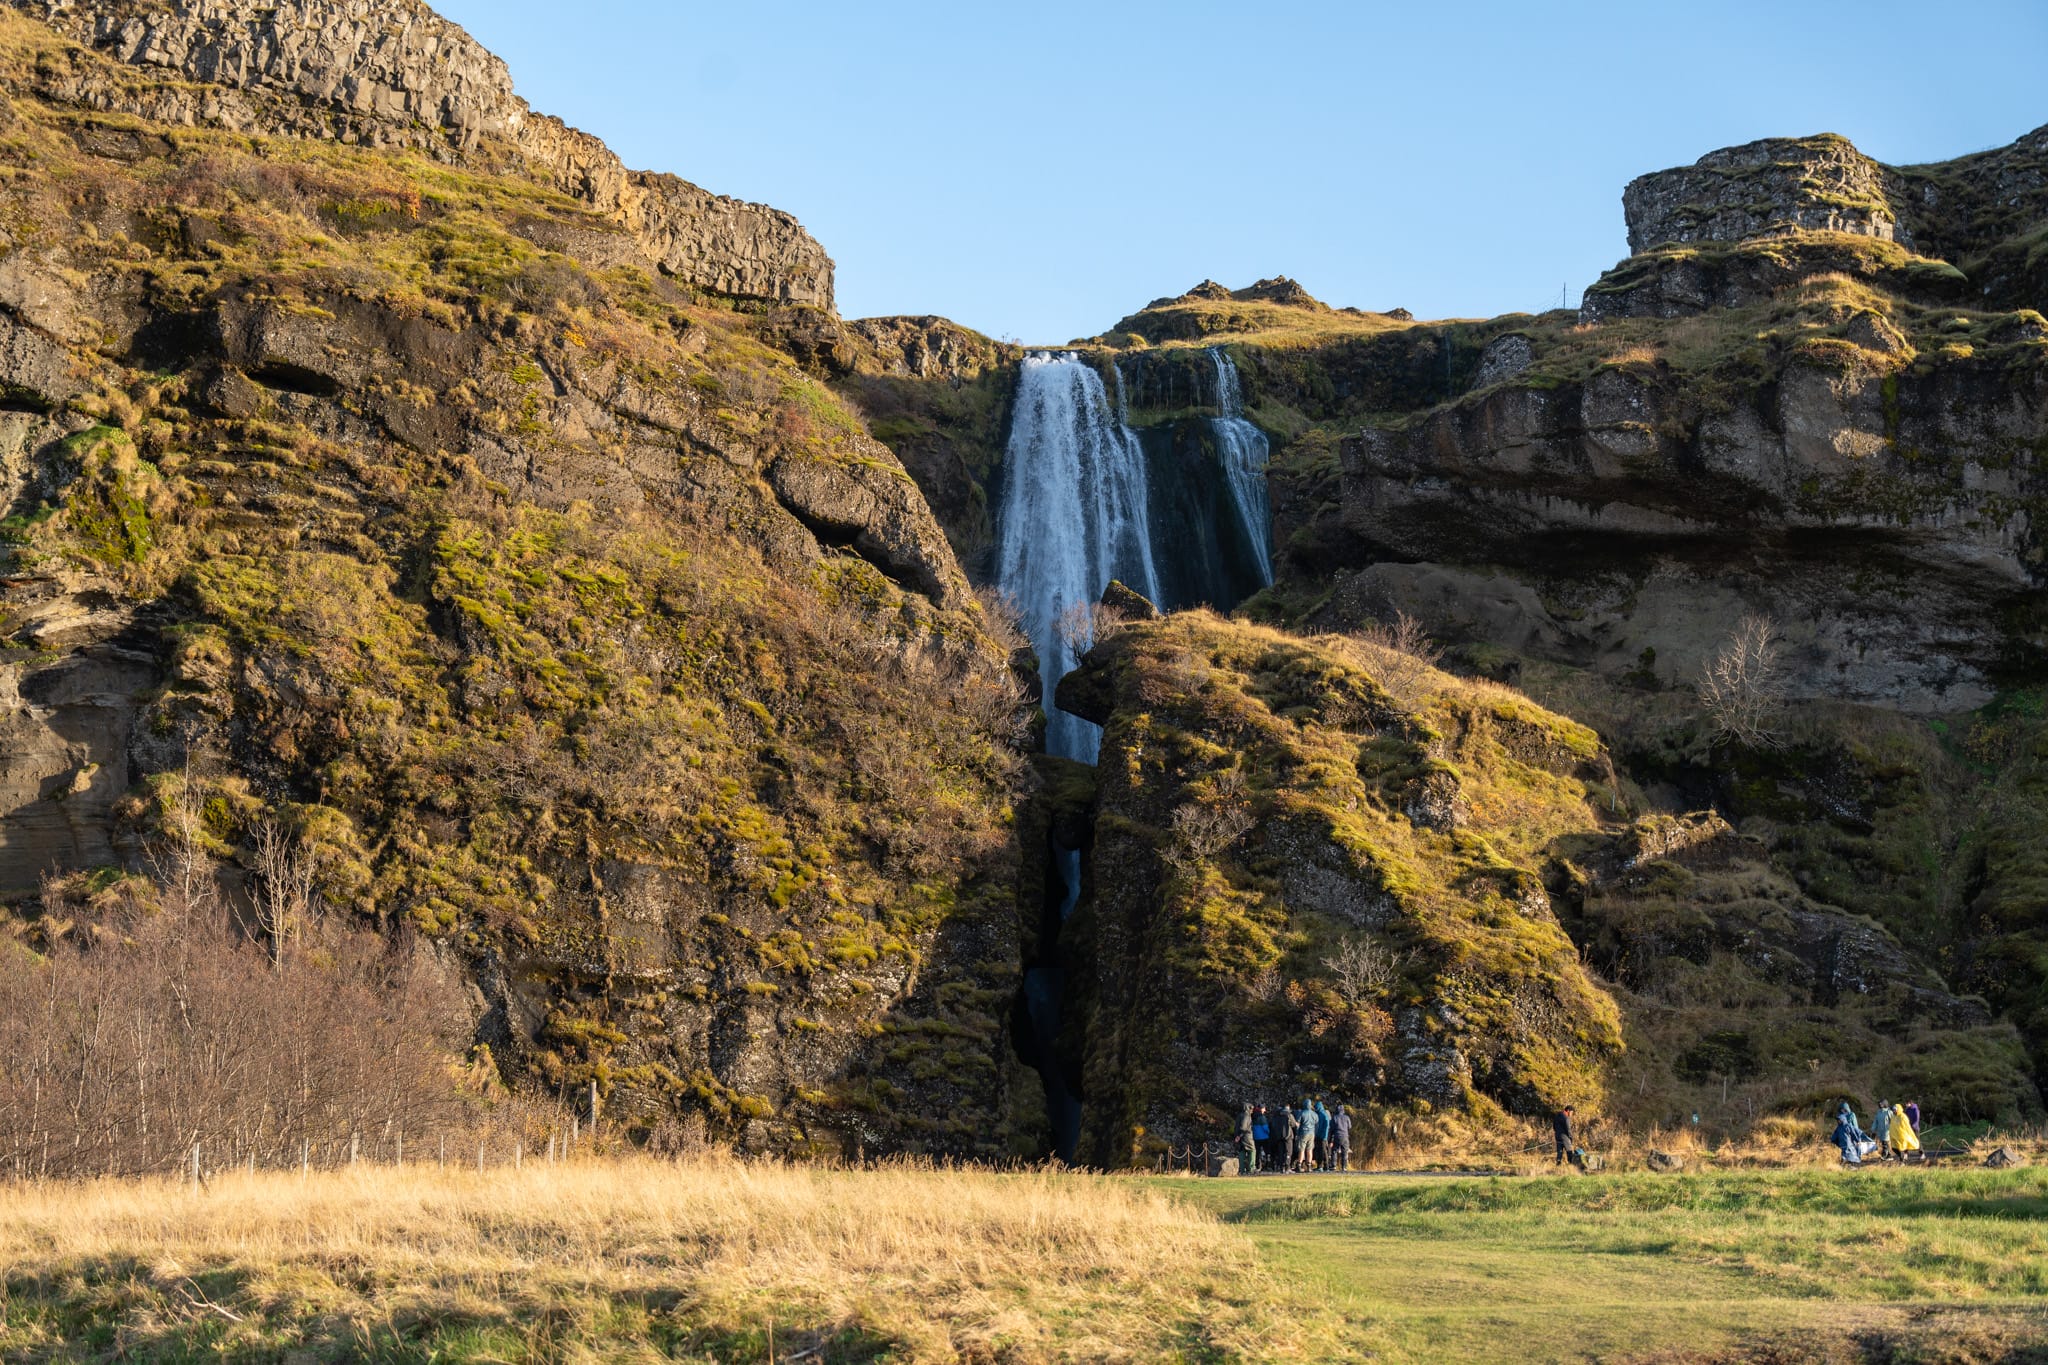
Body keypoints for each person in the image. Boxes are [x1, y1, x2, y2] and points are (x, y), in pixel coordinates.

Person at [1295, 1098, 1317, 1172]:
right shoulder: (1314, 1114)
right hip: (1312, 1133)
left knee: (1301, 1149)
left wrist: (1297, 1133)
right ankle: (1309, 1166)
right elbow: (1317, 1123)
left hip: (1303, 1133)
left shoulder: (1302, 1113)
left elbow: (1297, 1124)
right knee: (1310, 1150)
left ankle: (1299, 1165)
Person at [1236, 1103, 1257, 1173]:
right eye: (1251, 1109)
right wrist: (1241, 1135)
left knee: (1242, 1151)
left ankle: (1242, 1169)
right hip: (1247, 1136)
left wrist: (1238, 1135)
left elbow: (1237, 1127)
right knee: (1252, 1150)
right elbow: (1243, 1127)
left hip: (1240, 1136)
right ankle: (1251, 1168)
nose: (1252, 1110)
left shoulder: (1240, 1115)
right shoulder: (1246, 1116)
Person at [1333, 1105, 1353, 1172]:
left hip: (1337, 1135)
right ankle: (1344, 1167)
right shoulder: (1347, 1117)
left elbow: (1332, 1127)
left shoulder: (1335, 1117)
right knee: (1344, 1151)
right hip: (1345, 1136)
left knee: (1335, 1150)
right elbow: (1350, 1127)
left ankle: (1334, 1165)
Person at [1280, 1103, 1299, 1173]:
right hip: (1288, 1135)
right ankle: (1287, 1167)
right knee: (1289, 1152)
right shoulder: (1289, 1115)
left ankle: (1281, 1167)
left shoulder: (1278, 1115)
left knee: (1281, 1151)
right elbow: (1293, 1124)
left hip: (1280, 1136)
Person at [1251, 1104, 1270, 1172]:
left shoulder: (1253, 1116)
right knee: (1267, 1151)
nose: (1265, 1109)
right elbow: (1265, 1128)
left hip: (1256, 1137)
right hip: (1264, 1137)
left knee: (1257, 1152)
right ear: (1261, 1109)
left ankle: (1258, 1165)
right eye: (1264, 1108)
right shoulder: (1262, 1117)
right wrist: (1269, 1133)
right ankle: (1267, 1165)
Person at [1314, 1099, 1332, 1169]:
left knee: (1323, 1150)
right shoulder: (1319, 1114)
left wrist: (1324, 1135)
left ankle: (1326, 1165)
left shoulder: (1323, 1114)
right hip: (1318, 1135)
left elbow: (1327, 1125)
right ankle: (1320, 1165)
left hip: (1322, 1136)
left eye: (1316, 1107)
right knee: (1319, 1150)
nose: (1315, 1109)